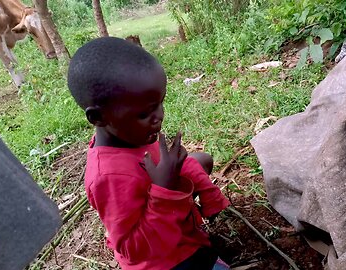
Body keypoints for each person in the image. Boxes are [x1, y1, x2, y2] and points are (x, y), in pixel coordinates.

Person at [67, 37, 230, 270]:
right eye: (144, 113)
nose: (159, 117)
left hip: (176, 224)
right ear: (99, 117)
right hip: (161, 259)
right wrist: (163, 190)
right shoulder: (109, 178)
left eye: (160, 103)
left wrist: (207, 192)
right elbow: (135, 249)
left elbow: (178, 165)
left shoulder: (133, 135)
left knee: (199, 161)